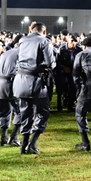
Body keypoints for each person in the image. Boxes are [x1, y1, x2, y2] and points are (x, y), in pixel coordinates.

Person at [13, 22, 56, 154]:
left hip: (20, 80)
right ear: (44, 31)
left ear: (31, 29)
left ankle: (23, 145)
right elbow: (51, 63)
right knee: (43, 112)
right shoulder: (44, 41)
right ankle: (32, 144)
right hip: (35, 81)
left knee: (25, 113)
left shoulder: (22, 40)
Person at [0, 35, 22, 146]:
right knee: (21, 111)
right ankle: (13, 137)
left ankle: (3, 137)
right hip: (10, 83)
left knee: (4, 112)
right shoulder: (21, 53)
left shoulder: (6, 53)